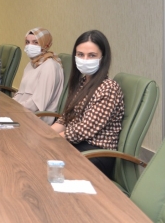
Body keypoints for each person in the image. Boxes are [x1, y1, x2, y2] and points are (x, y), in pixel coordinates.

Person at [52, 30, 125, 177]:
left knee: (47, 163)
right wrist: (45, 134)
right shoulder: (82, 82)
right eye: (80, 54)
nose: (85, 59)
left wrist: (53, 139)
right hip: (77, 145)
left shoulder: (108, 87)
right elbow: (66, 118)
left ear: (103, 58)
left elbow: (85, 129)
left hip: (96, 153)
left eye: (92, 55)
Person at [13, 27, 64, 124]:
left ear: (46, 44)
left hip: (36, 118)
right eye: (27, 42)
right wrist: (9, 103)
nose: (30, 46)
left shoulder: (50, 66)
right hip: (21, 111)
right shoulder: (31, 64)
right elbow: (20, 93)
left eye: (35, 42)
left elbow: (37, 104)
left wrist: (14, 108)